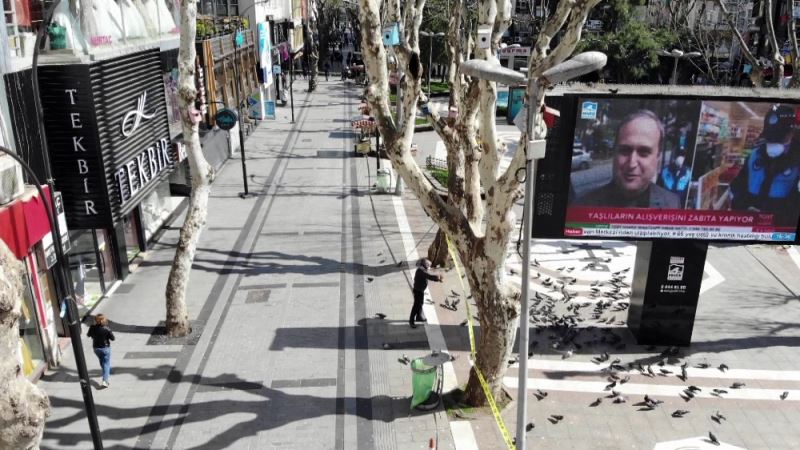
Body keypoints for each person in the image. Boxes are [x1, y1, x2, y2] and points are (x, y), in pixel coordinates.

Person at [573, 110, 681, 209]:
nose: (632, 163)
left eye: (643, 153)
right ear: (614, 152)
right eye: (625, 150)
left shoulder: (672, 204)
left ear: (658, 157)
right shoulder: (581, 205)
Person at [730, 104, 800, 226]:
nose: (773, 141)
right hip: (748, 225)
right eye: (770, 137)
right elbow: (738, 185)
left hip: (779, 231)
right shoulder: (754, 155)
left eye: (779, 137)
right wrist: (743, 208)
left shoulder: (797, 162)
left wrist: (773, 217)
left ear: (791, 133)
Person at [410, 258, 442, 328]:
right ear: (425, 265)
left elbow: (428, 275)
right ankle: (411, 321)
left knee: (420, 303)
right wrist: (437, 278)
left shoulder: (422, 270)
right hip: (418, 290)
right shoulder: (421, 271)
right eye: (428, 266)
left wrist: (437, 278)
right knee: (416, 306)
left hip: (420, 290)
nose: (428, 268)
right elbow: (429, 276)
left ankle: (419, 316)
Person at [87, 314, 115, 388]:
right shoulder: (107, 329)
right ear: (103, 320)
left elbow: (88, 335)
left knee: (102, 362)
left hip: (96, 348)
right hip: (105, 348)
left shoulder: (92, 327)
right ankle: (105, 381)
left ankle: (105, 372)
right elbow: (113, 338)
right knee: (106, 364)